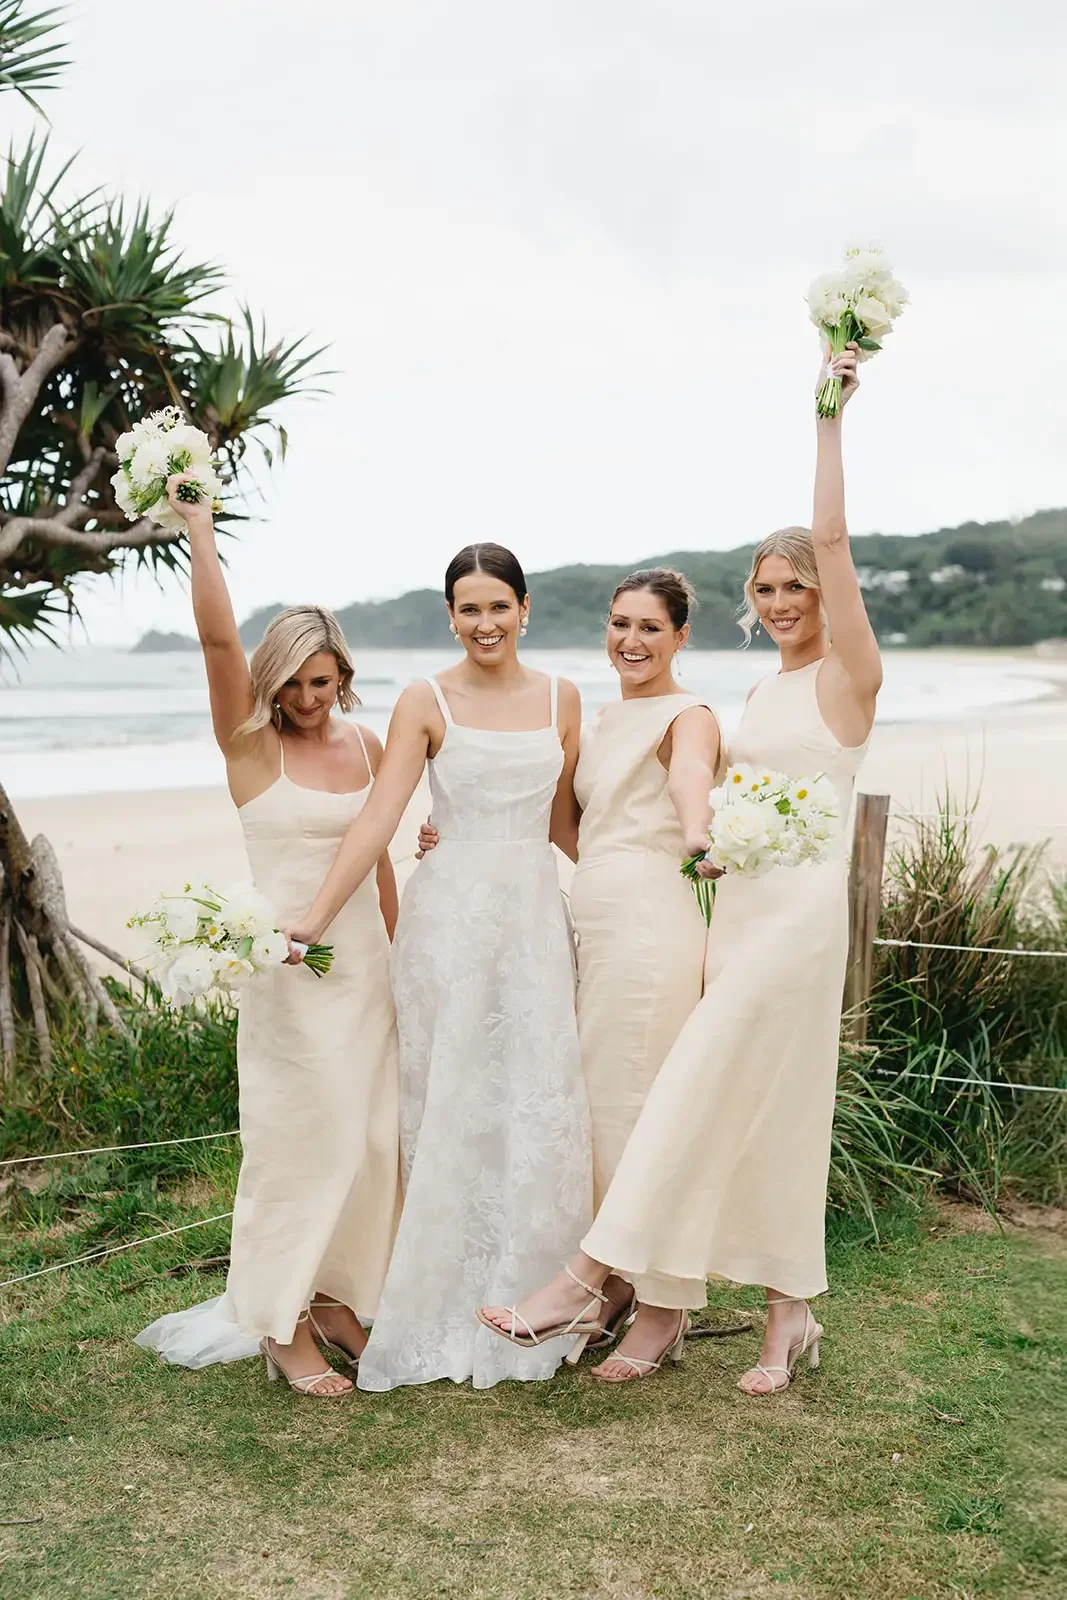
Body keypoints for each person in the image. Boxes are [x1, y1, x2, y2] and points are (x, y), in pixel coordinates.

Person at [478, 342, 880, 1393]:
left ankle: (587, 1276)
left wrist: (827, 416)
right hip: (739, 913)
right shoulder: (757, 698)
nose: (786, 597)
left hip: (794, 927)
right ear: (750, 599)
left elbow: (832, 532)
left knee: (689, 1087)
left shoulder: (849, 681)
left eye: (798, 583)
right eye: (769, 585)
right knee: (776, 1107)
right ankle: (784, 1314)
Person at [287, 542, 591, 1390]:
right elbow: (379, 818)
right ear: (450, 616)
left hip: (532, 919)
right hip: (448, 922)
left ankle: (535, 1297)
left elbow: (568, 824)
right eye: (468, 608)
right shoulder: (425, 699)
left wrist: (653, 877)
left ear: (524, 609)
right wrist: (312, 919)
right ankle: (439, 1300)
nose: (484, 622)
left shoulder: (564, 698)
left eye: (499, 605)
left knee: (536, 1096)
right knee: (449, 1100)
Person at [136, 475, 401, 1398]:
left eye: (322, 681)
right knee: (302, 1140)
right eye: (291, 682)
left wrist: (398, 959)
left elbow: (380, 861)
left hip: (365, 964)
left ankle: (335, 1300)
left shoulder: (368, 747)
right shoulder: (248, 744)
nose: (308, 699)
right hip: (288, 976)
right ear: (270, 682)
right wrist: (200, 531)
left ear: (344, 676)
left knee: (371, 1140)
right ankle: (280, 1324)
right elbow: (216, 637)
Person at [418, 566, 723, 1343]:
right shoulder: (597, 718)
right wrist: (467, 836)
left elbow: (691, 781)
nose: (631, 640)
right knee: (601, 1109)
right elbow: (563, 825)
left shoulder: (688, 716)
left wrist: (696, 835)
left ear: (681, 636)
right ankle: (619, 1288)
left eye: (650, 627)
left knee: (633, 1112)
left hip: (650, 923)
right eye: (620, 624)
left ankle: (658, 1312)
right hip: (591, 922)